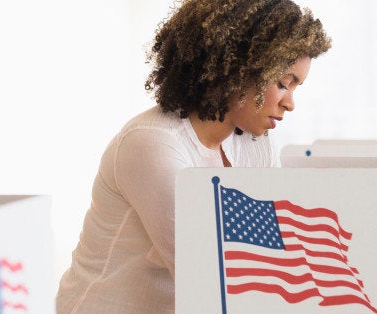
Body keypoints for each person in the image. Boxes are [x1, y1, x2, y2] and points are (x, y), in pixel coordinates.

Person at [56, 0, 331, 312]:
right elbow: (209, 276)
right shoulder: (152, 144)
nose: (289, 104)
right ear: (237, 70)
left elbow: (271, 253)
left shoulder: (253, 141)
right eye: (283, 83)